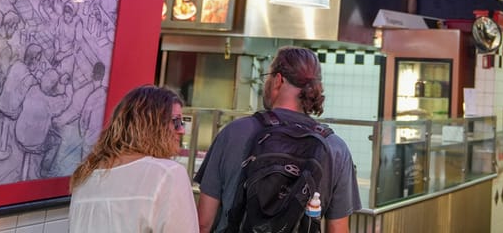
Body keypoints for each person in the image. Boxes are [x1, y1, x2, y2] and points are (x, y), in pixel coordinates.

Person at [196, 46, 361, 233]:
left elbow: (203, 223)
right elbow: (338, 229)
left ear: (278, 80)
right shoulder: (335, 148)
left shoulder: (234, 132)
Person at [68, 85, 197, 232]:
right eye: (176, 122)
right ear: (149, 124)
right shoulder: (168, 173)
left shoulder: (86, 174)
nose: (182, 130)